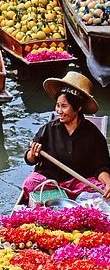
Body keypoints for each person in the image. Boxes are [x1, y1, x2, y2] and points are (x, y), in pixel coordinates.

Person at [23, 71, 110, 202]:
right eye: (57, 105)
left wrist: (109, 184)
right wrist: (33, 154)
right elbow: (30, 159)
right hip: (52, 183)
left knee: (104, 193)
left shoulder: (93, 134)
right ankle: (63, 199)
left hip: (81, 184)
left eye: (64, 106)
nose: (58, 111)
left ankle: (65, 200)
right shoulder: (48, 129)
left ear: (78, 107)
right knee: (30, 184)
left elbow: (101, 167)